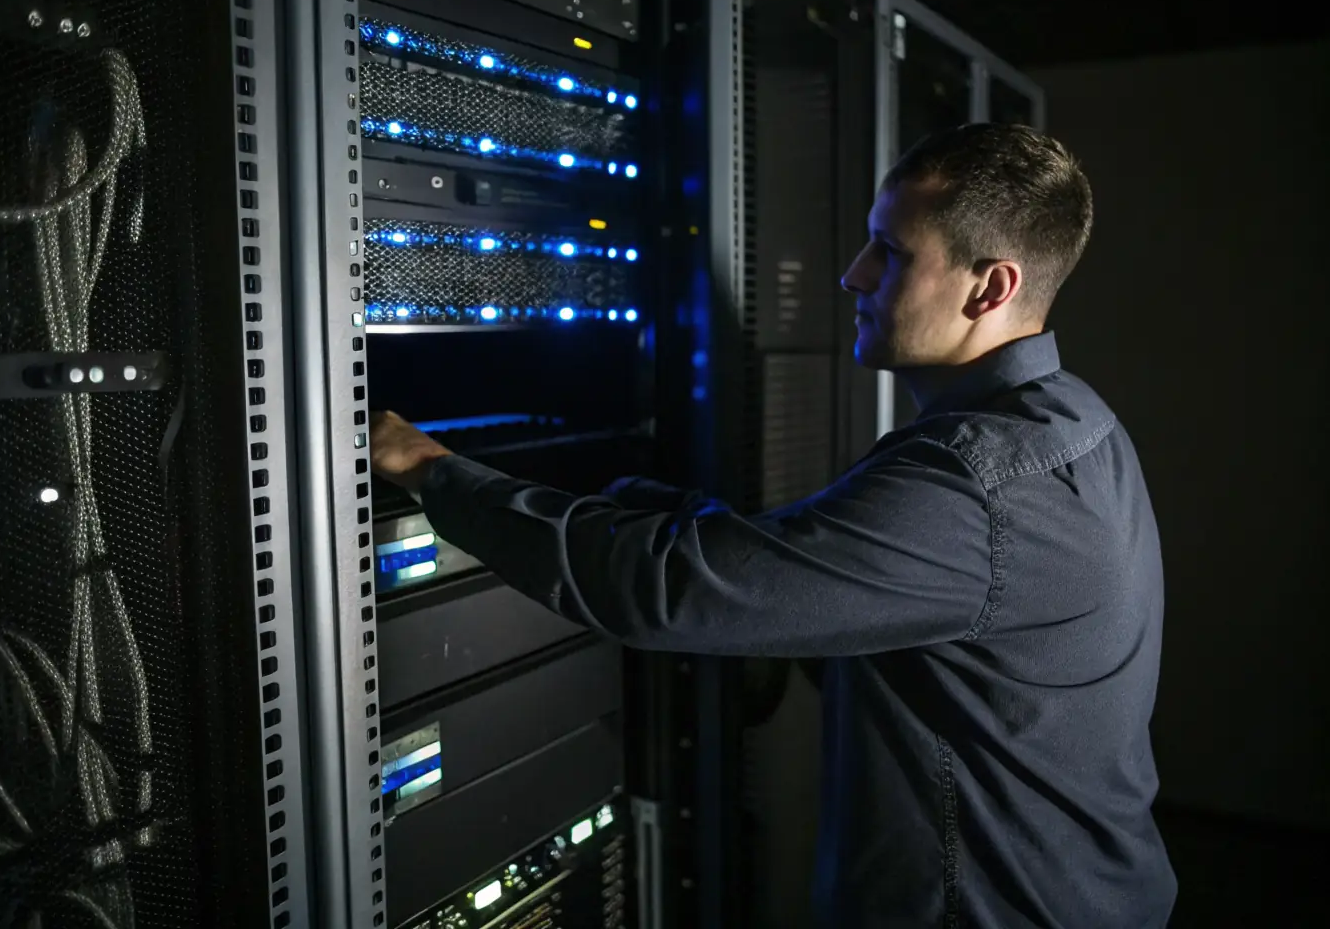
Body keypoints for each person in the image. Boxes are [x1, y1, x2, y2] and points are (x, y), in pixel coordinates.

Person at [370, 123, 1177, 928]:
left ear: (989, 288)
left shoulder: (976, 485)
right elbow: (809, 564)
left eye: (889, 253)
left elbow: (670, 591)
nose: (851, 275)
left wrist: (427, 471)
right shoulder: (1070, 423)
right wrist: (617, 490)